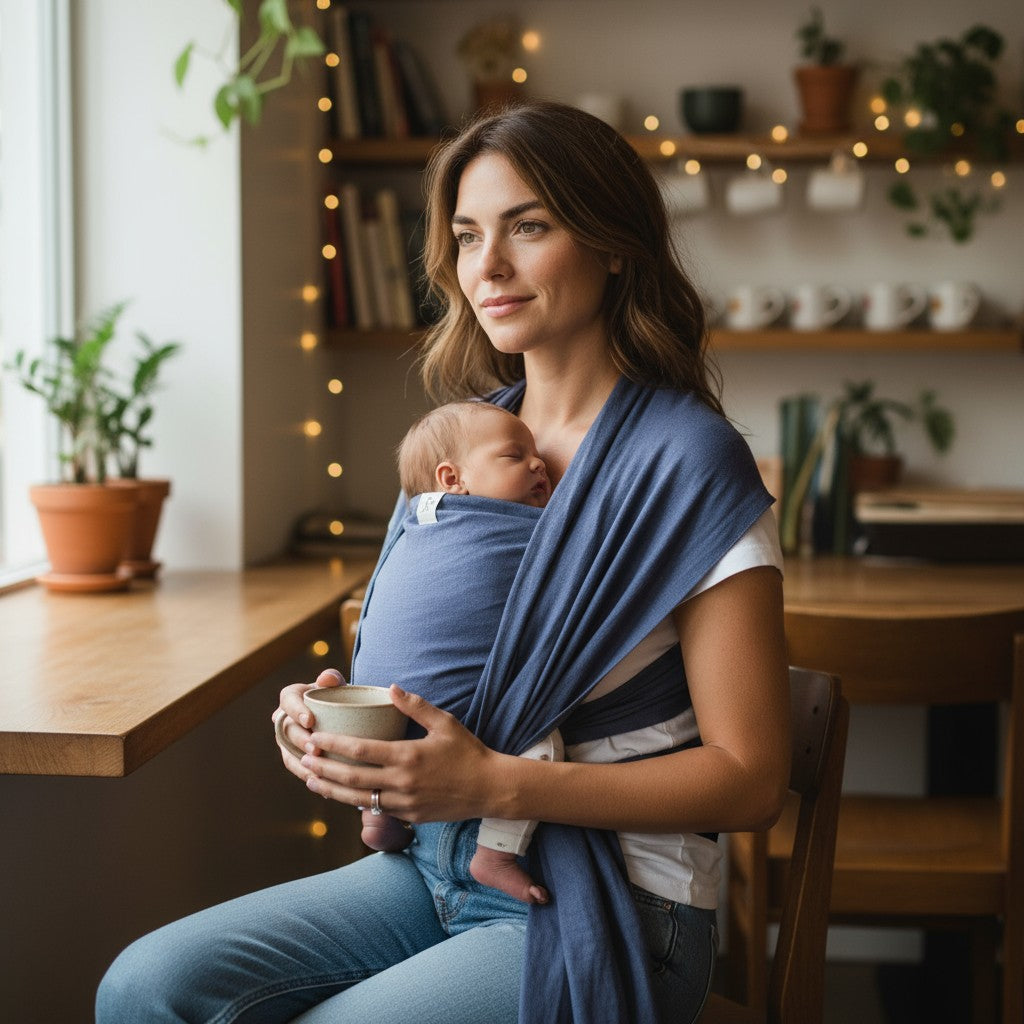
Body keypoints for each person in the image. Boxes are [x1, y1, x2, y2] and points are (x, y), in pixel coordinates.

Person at [96, 101, 790, 1024]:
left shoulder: (688, 462)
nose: (487, 266)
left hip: (623, 904)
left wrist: (498, 782)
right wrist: (323, 726)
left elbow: (752, 778)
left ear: (613, 245)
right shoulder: (465, 447)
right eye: (467, 237)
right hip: (433, 864)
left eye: (527, 227)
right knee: (142, 988)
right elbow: (429, 673)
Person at [358, 399, 562, 907]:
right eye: (515, 456)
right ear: (453, 479)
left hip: (374, 712)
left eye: (536, 454)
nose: (539, 463)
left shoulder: (412, 527)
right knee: (541, 742)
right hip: (456, 718)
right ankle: (495, 855)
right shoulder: (521, 530)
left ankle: (376, 814)